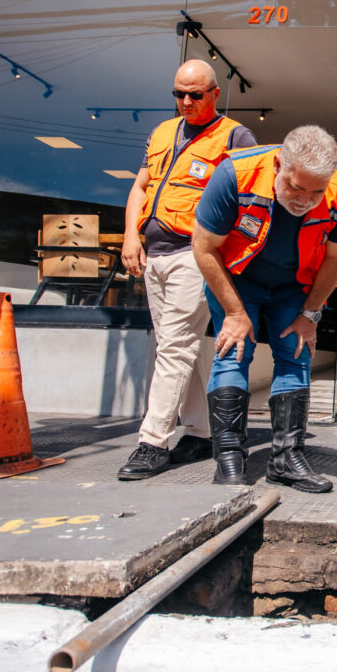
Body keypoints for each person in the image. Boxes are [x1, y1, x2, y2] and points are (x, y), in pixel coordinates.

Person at [116, 59, 258, 481]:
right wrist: (129, 236)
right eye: (179, 93)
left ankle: (152, 442)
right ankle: (199, 430)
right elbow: (140, 186)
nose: (186, 101)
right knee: (181, 346)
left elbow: (250, 198)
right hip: (154, 254)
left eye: (195, 94)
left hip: (194, 256)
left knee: (174, 347)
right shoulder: (162, 133)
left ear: (215, 93)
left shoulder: (235, 135)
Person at [192, 125, 337, 490]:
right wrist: (235, 314)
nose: (305, 200)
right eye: (296, 187)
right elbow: (203, 248)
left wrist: (310, 314)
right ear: (280, 164)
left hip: (294, 285)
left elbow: (336, 259)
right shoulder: (235, 173)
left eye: (317, 191)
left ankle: (286, 459)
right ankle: (230, 458)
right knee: (233, 353)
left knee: (296, 355)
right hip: (236, 278)